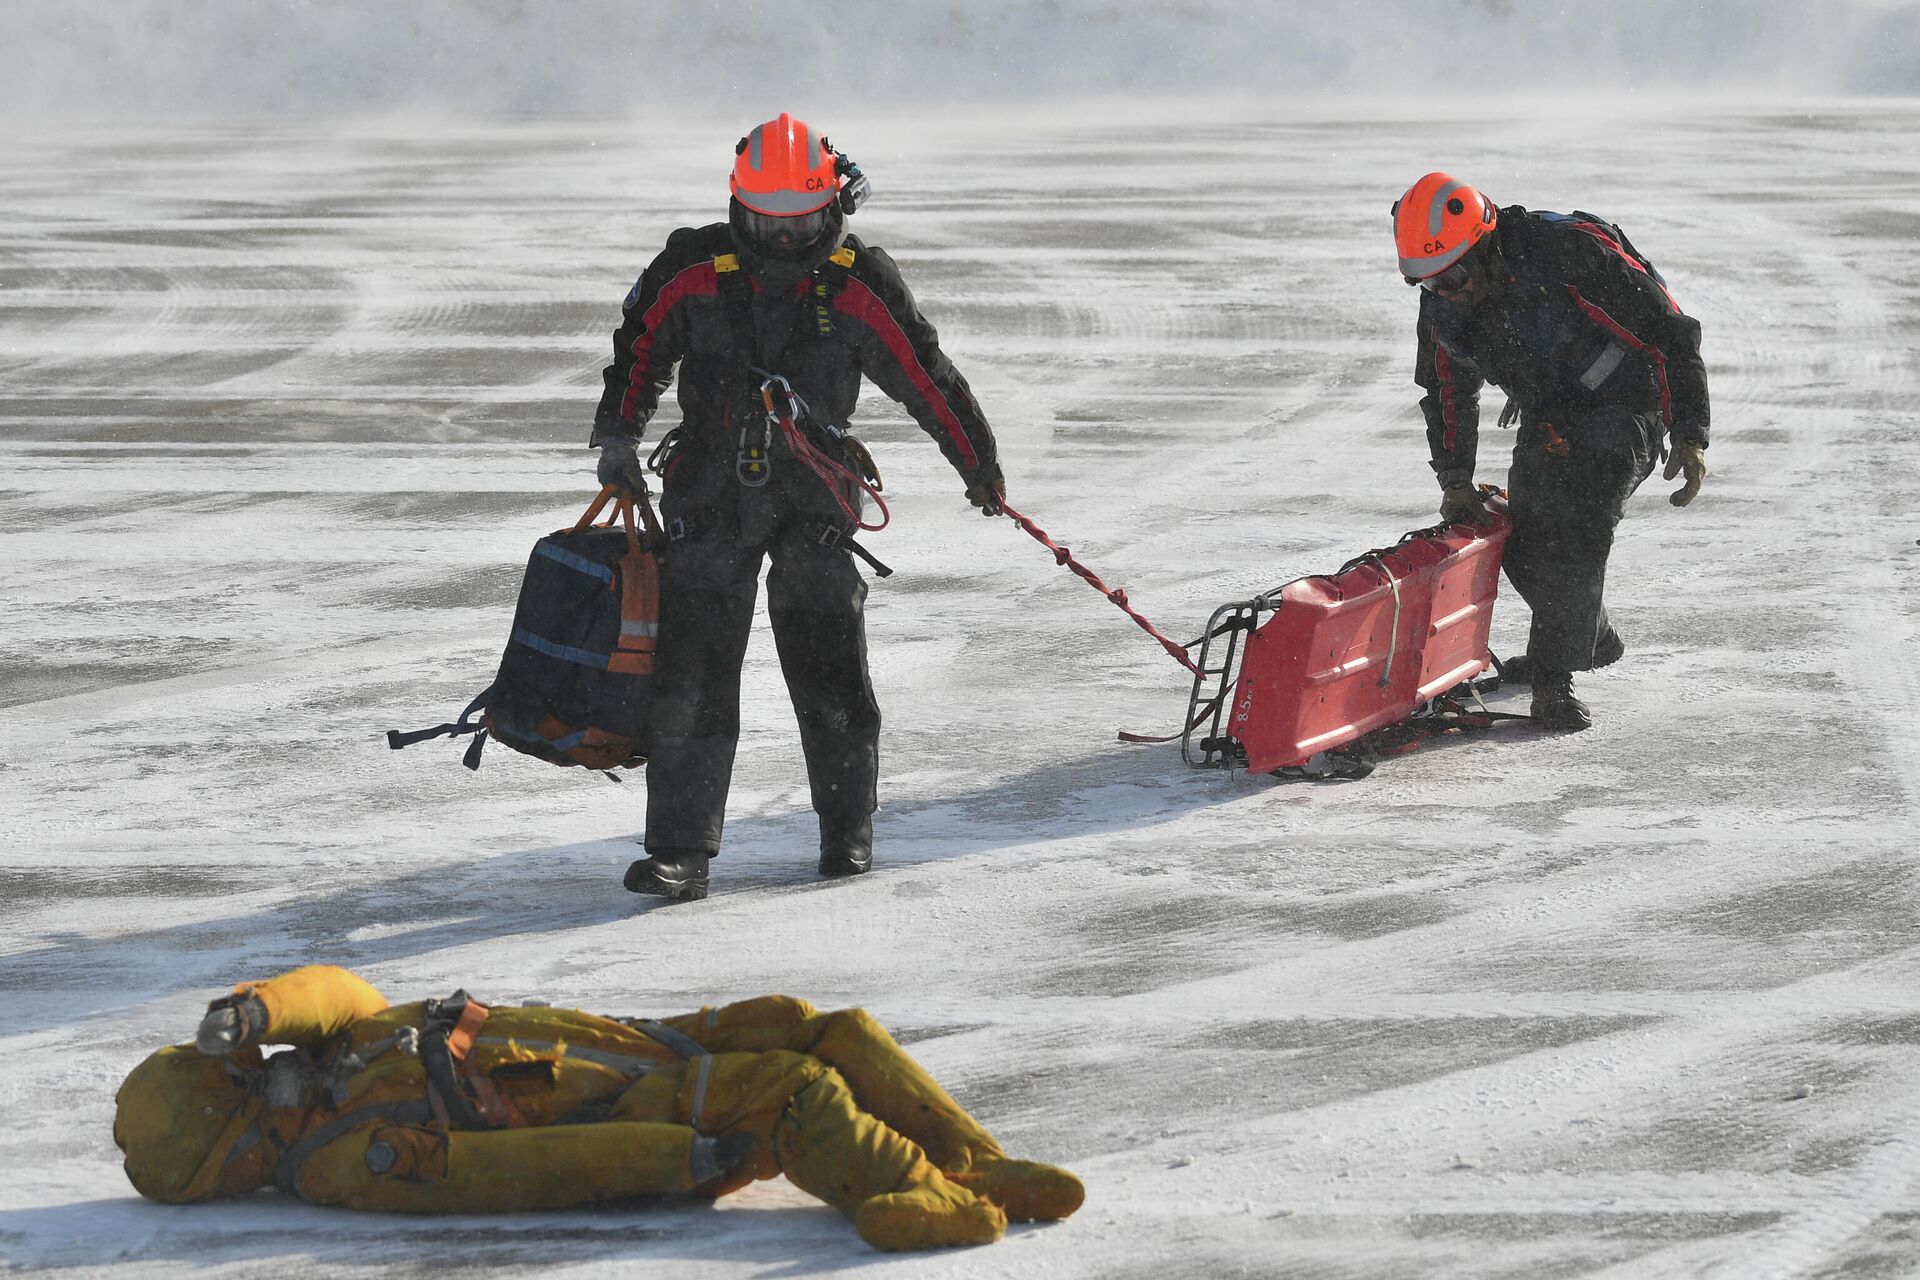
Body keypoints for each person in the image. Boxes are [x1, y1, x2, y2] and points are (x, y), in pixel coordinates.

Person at [591, 113, 1005, 899]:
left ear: (833, 208)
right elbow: (638, 349)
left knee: (829, 671)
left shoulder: (858, 284)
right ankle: (681, 854)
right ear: (737, 208)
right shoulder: (693, 268)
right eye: (767, 226)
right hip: (710, 493)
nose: (786, 242)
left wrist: (976, 463)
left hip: (815, 494)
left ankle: (845, 837)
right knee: (692, 678)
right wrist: (617, 440)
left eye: (803, 225)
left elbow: (925, 376)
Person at [114, 965, 1083, 1253]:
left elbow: (335, 986)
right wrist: (676, 1156)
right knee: (795, 1088)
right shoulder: (337, 1158)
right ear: (230, 1140)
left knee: (817, 1024)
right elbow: (498, 1178)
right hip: (618, 1107)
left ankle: (972, 1159)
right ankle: (917, 1198)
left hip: (616, 1041)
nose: (266, 1067)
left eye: (249, 1059)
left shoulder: (337, 1044)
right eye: (245, 1078)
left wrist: (259, 1005)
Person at [1391, 173, 1711, 731]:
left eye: (1455, 276)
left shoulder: (1568, 252)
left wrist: (1689, 429)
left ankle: (1553, 678)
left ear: (1486, 242)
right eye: (1429, 282)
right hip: (1552, 411)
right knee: (1521, 534)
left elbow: (1670, 334)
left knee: (1579, 524)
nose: (1447, 291)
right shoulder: (1444, 300)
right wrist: (1455, 480)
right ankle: (1588, 639)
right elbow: (1445, 389)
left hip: (1631, 402)